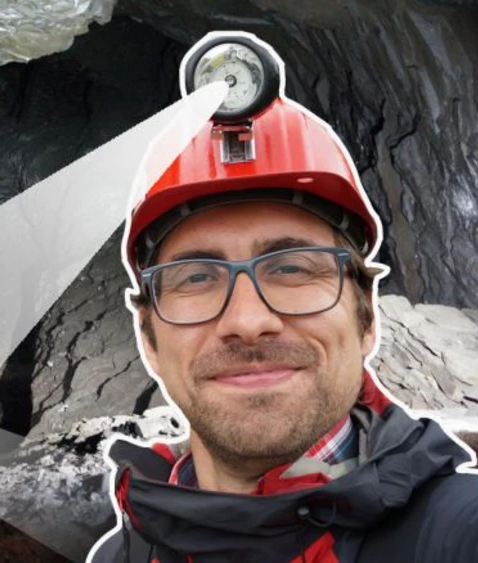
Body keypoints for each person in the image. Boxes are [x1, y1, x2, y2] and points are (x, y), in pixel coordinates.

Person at [88, 32, 478, 562]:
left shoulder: (458, 536)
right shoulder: (122, 556)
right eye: (197, 277)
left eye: (292, 268)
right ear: (148, 338)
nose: (248, 321)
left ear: (366, 318)